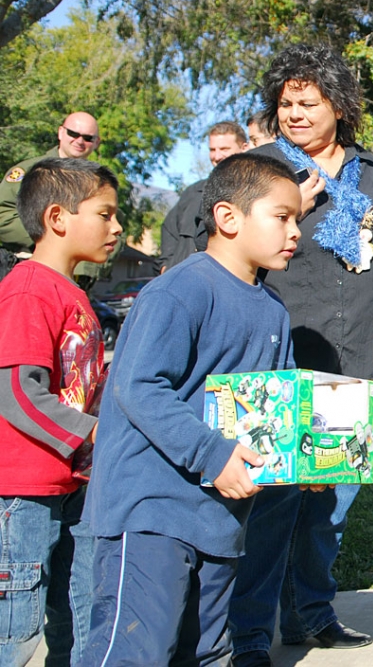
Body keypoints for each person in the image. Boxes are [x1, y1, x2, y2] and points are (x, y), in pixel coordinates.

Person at [80, 153, 304, 665]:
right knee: (137, 651)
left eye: (298, 219)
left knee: (204, 653)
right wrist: (213, 455)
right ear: (227, 218)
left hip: (221, 521)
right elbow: (138, 387)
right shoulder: (180, 290)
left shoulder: (273, 308)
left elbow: (277, 404)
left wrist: (300, 458)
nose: (295, 232)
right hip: (153, 512)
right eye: (282, 216)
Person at [228, 43, 373, 667]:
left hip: (357, 362)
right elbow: (226, 249)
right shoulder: (259, 169)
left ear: (339, 104)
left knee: (330, 507)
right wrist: (291, 206)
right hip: (277, 363)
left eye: (308, 102)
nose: (295, 113)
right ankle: (250, 634)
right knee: (273, 504)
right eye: (285, 103)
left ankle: (312, 615)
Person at [0, 157, 120, 666]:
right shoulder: (29, 290)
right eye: (105, 213)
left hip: (69, 483)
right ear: (57, 218)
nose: (116, 228)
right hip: (24, 491)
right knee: (14, 628)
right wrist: (98, 434)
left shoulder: (72, 292)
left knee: (73, 614)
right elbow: (17, 392)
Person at [0, 112, 102, 281]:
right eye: (73, 134)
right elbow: (2, 212)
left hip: (77, 280)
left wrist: (97, 265)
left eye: (87, 137)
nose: (79, 141)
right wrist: (46, 237)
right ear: (61, 132)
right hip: (29, 272)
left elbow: (113, 226)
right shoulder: (31, 171)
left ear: (96, 142)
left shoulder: (99, 183)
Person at [157, 121, 250, 273]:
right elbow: (169, 229)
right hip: (182, 283)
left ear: (244, 148)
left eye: (224, 149)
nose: (217, 156)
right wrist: (166, 266)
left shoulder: (253, 193)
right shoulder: (193, 192)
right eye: (212, 149)